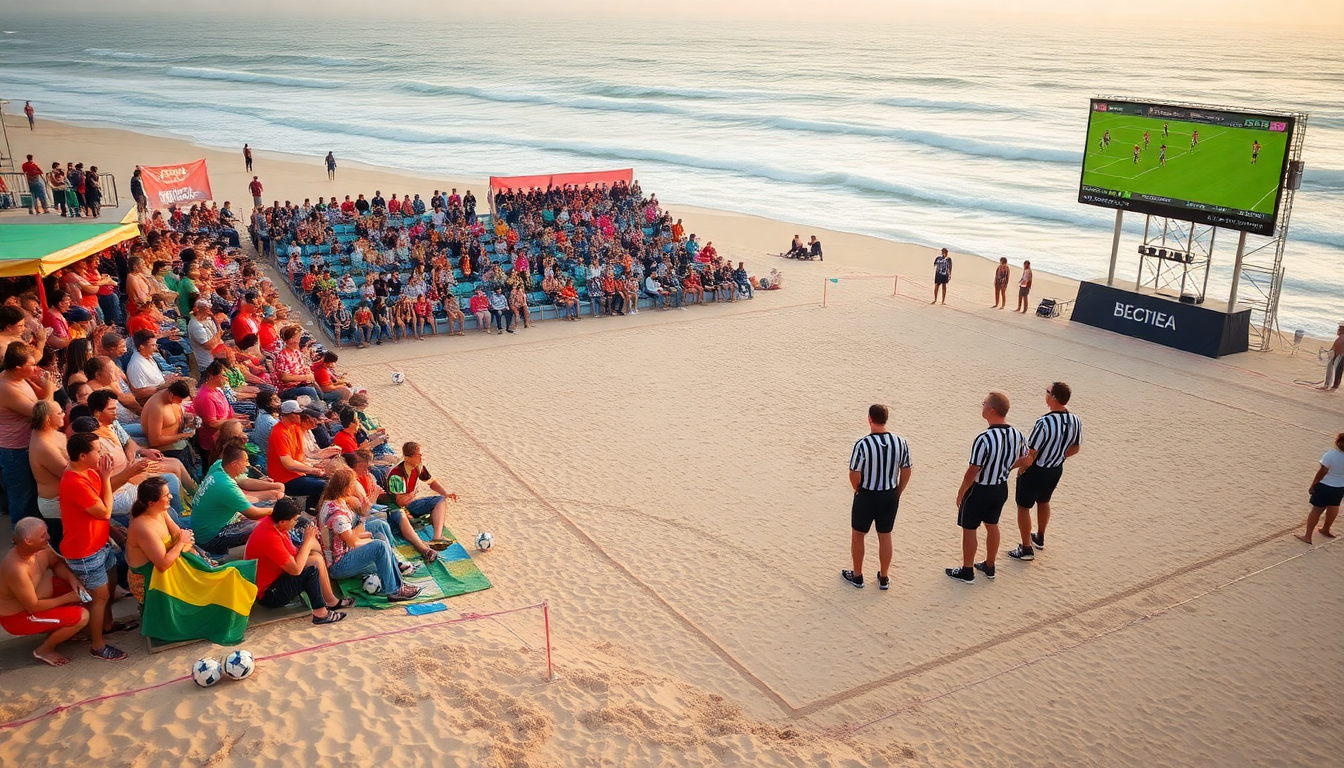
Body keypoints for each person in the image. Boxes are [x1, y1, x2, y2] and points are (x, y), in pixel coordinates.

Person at [60, 432, 137, 661]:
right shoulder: (74, 481)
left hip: (100, 544)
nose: (101, 453)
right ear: (83, 456)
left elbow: (107, 488)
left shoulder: (86, 471)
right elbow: (104, 511)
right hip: (85, 552)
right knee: (100, 597)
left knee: (111, 586)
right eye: (97, 450)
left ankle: (107, 625)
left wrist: (122, 474)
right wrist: (104, 477)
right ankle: (97, 645)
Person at [946, 392, 1028, 584]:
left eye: (983, 404)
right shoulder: (1017, 434)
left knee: (969, 529)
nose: (981, 407)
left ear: (991, 410)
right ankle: (990, 566)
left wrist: (961, 492)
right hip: (1000, 488)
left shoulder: (984, 438)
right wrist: (1008, 467)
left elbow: (973, 469)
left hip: (979, 490)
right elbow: (1028, 459)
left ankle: (967, 570)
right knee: (992, 525)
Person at [0, 518, 91, 667]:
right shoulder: (16, 569)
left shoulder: (42, 549)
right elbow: (33, 606)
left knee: (83, 588)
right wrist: (68, 597)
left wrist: (73, 580)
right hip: (18, 617)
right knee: (82, 616)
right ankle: (44, 650)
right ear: (28, 541)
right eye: (43, 535)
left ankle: (61, 630)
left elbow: (56, 564)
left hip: (37, 598)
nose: (48, 537)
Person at [244, 498, 351, 625]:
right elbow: (296, 570)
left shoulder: (277, 526)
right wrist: (307, 540)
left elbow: (299, 554)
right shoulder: (269, 536)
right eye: (294, 520)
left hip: (278, 578)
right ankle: (320, 614)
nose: (296, 523)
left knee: (315, 558)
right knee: (310, 571)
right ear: (283, 521)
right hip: (269, 594)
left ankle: (330, 601)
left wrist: (311, 542)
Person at [318, 469, 421, 600]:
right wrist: (369, 538)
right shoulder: (337, 515)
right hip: (339, 564)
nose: (355, 485)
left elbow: (354, 526)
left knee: (379, 524)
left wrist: (366, 512)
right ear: (346, 488)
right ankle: (393, 589)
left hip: (344, 546)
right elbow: (352, 542)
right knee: (379, 545)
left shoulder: (338, 499)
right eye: (353, 484)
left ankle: (395, 567)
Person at [1008, 383, 1082, 562]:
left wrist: (1019, 469)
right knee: (1044, 500)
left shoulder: (1044, 422)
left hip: (1036, 471)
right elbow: (1076, 447)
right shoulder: (1075, 420)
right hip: (1055, 469)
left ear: (1054, 397)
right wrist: (1058, 456)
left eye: (1047, 392)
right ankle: (1039, 537)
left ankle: (1026, 548)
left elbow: (1031, 453)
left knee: (1023, 507)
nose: (1045, 394)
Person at [841, 404, 912, 591]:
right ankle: (884, 577)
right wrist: (898, 491)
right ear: (886, 419)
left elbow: (854, 472)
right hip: (889, 495)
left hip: (867, 494)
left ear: (869, 419)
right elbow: (906, 469)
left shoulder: (862, 444)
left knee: (858, 535)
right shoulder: (900, 442)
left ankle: (857, 576)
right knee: (885, 535)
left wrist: (858, 489)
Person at [1, 341, 55, 525]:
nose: (35, 368)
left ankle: (34, 529)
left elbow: (40, 395)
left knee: (31, 493)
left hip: (27, 444)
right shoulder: (7, 388)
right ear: (17, 368)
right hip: (15, 450)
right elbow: (44, 414)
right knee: (21, 497)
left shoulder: (19, 377)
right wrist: (50, 390)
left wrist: (45, 385)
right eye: (31, 365)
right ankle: (22, 538)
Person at [192, 443, 279, 554]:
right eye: (245, 461)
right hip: (211, 538)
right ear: (234, 464)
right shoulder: (226, 485)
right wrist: (275, 511)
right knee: (266, 526)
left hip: (207, 526)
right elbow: (253, 513)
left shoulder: (218, 466)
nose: (247, 465)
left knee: (268, 504)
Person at [384, 441, 457, 544]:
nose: (421, 457)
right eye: (418, 455)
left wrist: (445, 493)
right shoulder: (397, 475)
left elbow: (431, 482)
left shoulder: (418, 467)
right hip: (397, 508)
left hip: (410, 504)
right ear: (408, 458)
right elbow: (400, 501)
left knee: (440, 500)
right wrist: (411, 495)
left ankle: (437, 537)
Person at [267, 400, 328, 509]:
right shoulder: (279, 432)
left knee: (329, 477)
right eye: (298, 413)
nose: (301, 415)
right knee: (326, 486)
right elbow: (288, 464)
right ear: (289, 415)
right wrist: (313, 470)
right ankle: (314, 510)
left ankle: (312, 507)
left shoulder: (294, 426)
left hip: (297, 473)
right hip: (285, 479)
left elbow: (299, 457)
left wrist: (314, 466)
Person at [29, 401, 69, 546]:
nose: (64, 414)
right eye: (60, 413)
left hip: (63, 500)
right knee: (62, 547)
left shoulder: (48, 432)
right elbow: (69, 473)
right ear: (47, 419)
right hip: (55, 505)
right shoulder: (43, 446)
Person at [1297, 432, 1344, 544]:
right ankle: (1326, 529)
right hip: (1340, 487)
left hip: (1325, 486)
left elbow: (1323, 471)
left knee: (1317, 510)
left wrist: (1313, 484)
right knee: (1334, 506)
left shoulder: (1331, 454)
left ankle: (1308, 536)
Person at [1319, 324, 1343, 392]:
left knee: (1333, 369)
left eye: (1338, 329)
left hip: (1338, 356)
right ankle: (1335, 386)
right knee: (1338, 370)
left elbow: (1335, 350)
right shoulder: (1340, 339)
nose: (1337, 330)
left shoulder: (1340, 339)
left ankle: (1328, 386)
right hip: (1339, 355)